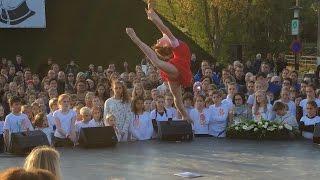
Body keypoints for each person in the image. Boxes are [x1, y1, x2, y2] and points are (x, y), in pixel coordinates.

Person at [126, 3, 192, 122]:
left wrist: (152, 12)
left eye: (158, 41)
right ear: (165, 45)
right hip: (179, 66)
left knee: (177, 97)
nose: (158, 40)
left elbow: (161, 26)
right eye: (158, 42)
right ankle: (185, 116)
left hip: (179, 67)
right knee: (176, 98)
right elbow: (162, 27)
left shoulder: (172, 42)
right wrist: (153, 17)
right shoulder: (173, 42)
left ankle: (185, 116)